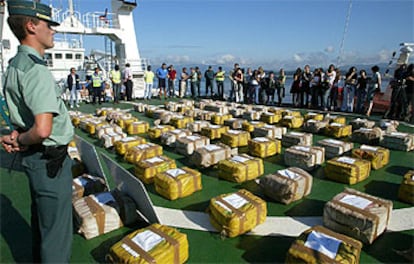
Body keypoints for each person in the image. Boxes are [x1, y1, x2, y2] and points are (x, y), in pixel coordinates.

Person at [1, 1, 74, 262]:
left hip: (35, 160)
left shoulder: (16, 64)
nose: (53, 31)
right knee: (56, 235)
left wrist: (15, 137)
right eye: (49, 25)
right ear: (32, 26)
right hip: (49, 162)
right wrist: (20, 139)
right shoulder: (36, 69)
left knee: (43, 227)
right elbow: (43, 130)